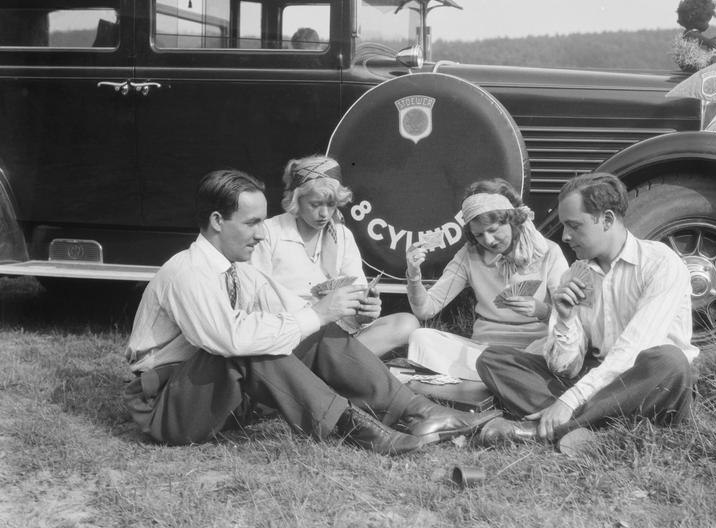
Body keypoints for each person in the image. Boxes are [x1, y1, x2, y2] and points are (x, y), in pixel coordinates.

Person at [123, 169, 498, 455]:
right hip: (166, 408)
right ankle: (359, 430)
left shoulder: (240, 270)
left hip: (219, 397)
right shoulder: (188, 270)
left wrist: (345, 312)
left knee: (307, 332)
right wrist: (316, 313)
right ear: (218, 221)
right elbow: (230, 338)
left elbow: (295, 315)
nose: (260, 234)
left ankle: (417, 410)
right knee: (250, 346)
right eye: (252, 223)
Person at [475, 173, 699, 447]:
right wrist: (565, 320)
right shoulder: (575, 275)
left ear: (606, 219)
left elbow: (633, 350)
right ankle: (598, 426)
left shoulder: (660, 264)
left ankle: (547, 428)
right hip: (594, 377)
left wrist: (569, 400)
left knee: (670, 361)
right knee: (493, 361)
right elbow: (565, 369)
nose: (566, 236)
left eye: (574, 226)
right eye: (564, 227)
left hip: (645, 378)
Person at [250, 155, 419, 357]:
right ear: (296, 199)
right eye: (315, 204)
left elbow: (357, 294)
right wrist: (314, 312)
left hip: (335, 337)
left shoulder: (342, 236)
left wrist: (365, 313)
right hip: (290, 336)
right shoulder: (269, 233)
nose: (324, 213)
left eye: (331, 205)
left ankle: (330, 366)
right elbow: (256, 301)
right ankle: (337, 366)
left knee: (407, 324)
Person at [404, 178, 569, 380]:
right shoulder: (469, 254)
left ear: (512, 220)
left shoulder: (548, 251)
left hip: (532, 349)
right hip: (483, 351)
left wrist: (541, 310)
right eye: (479, 235)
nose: (488, 241)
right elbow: (426, 309)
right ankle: (503, 377)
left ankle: (490, 377)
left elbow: (570, 316)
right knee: (420, 337)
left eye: (493, 230)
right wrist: (413, 274)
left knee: (561, 348)